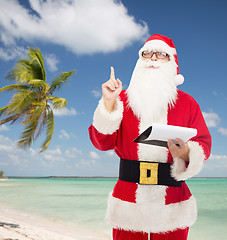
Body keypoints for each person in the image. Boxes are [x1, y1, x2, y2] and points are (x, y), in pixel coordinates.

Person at [88, 34, 211, 240]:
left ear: (172, 62)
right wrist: (108, 104)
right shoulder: (121, 99)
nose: (153, 58)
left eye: (161, 54)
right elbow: (102, 143)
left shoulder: (188, 103)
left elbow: (204, 143)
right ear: (140, 61)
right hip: (128, 198)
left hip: (172, 199)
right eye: (147, 53)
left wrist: (187, 152)